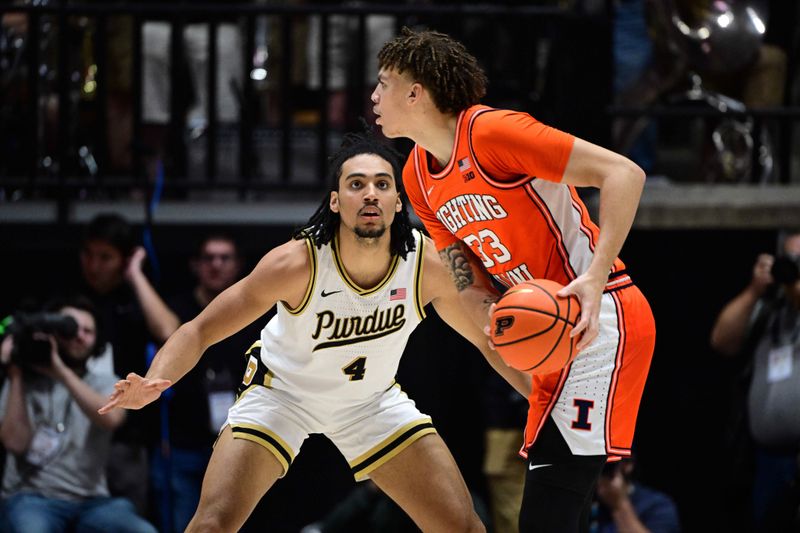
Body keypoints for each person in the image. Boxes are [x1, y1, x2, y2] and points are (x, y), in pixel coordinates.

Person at [99, 132, 526, 532]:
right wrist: (155, 382)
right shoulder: (296, 263)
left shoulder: (428, 263)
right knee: (212, 524)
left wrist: (539, 401)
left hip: (371, 402)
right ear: (336, 202)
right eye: (356, 184)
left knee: (463, 526)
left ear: (399, 201)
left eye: (382, 183)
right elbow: (198, 330)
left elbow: (485, 340)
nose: (371, 193)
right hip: (281, 396)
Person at [372, 28, 657, 532]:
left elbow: (624, 174)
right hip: (547, 328)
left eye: (384, 83)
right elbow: (461, 266)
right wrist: (489, 316)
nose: (374, 96)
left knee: (550, 502)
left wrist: (593, 276)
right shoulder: (416, 175)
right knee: (555, 506)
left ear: (415, 92)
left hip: (598, 312)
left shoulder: (494, 133)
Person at [0, 295, 157, 533]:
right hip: (32, 498)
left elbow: (112, 419)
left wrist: (60, 372)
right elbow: (15, 442)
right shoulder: (24, 380)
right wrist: (15, 374)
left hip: (92, 501)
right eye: (70, 328)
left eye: (88, 331)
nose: (79, 336)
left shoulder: (105, 383)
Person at [152, 232, 268, 532]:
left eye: (224, 258)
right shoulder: (180, 309)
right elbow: (170, 331)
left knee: (234, 521)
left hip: (239, 436)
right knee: (182, 522)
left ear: (238, 265)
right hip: (184, 440)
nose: (216, 265)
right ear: (195, 265)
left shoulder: (257, 311)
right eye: (209, 258)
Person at [79, 213, 179, 515]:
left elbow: (171, 333)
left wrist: (135, 273)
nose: (94, 266)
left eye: (105, 258)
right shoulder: (70, 297)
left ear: (123, 260)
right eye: (88, 255)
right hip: (73, 431)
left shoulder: (134, 300)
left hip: (126, 438)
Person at [710, 230, 800, 530]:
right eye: (791, 261)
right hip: (768, 460)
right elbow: (722, 340)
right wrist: (754, 289)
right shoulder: (770, 309)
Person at [591, 458, 681, 533]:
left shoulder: (658, 505)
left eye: (608, 467)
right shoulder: (588, 501)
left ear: (627, 465)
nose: (600, 472)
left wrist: (619, 504)